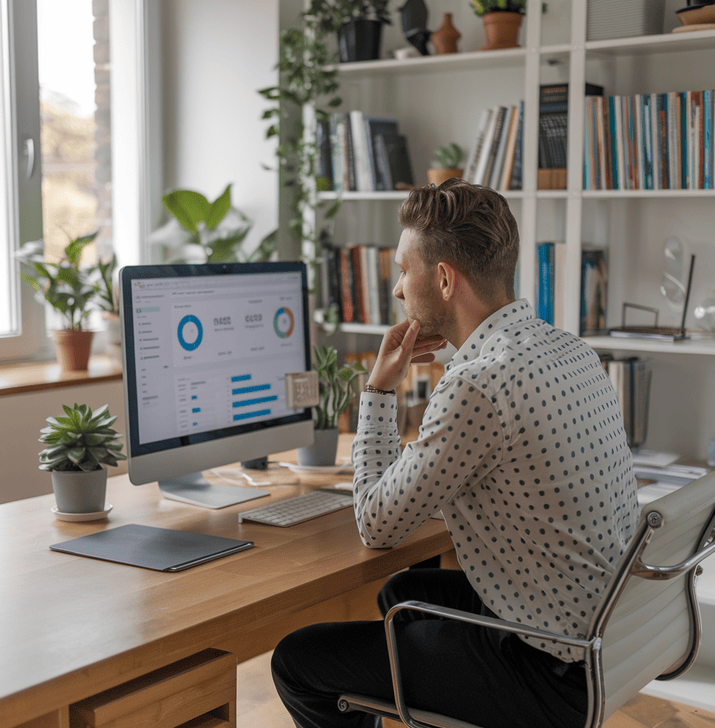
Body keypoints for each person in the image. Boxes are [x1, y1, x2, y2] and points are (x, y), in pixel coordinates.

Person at [272, 178, 639, 728]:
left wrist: (377, 392)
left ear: (443, 279)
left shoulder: (478, 384)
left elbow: (376, 524)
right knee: (404, 591)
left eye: (402, 269)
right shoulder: (568, 347)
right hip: (608, 637)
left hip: (547, 670)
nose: (397, 290)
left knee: (297, 661)